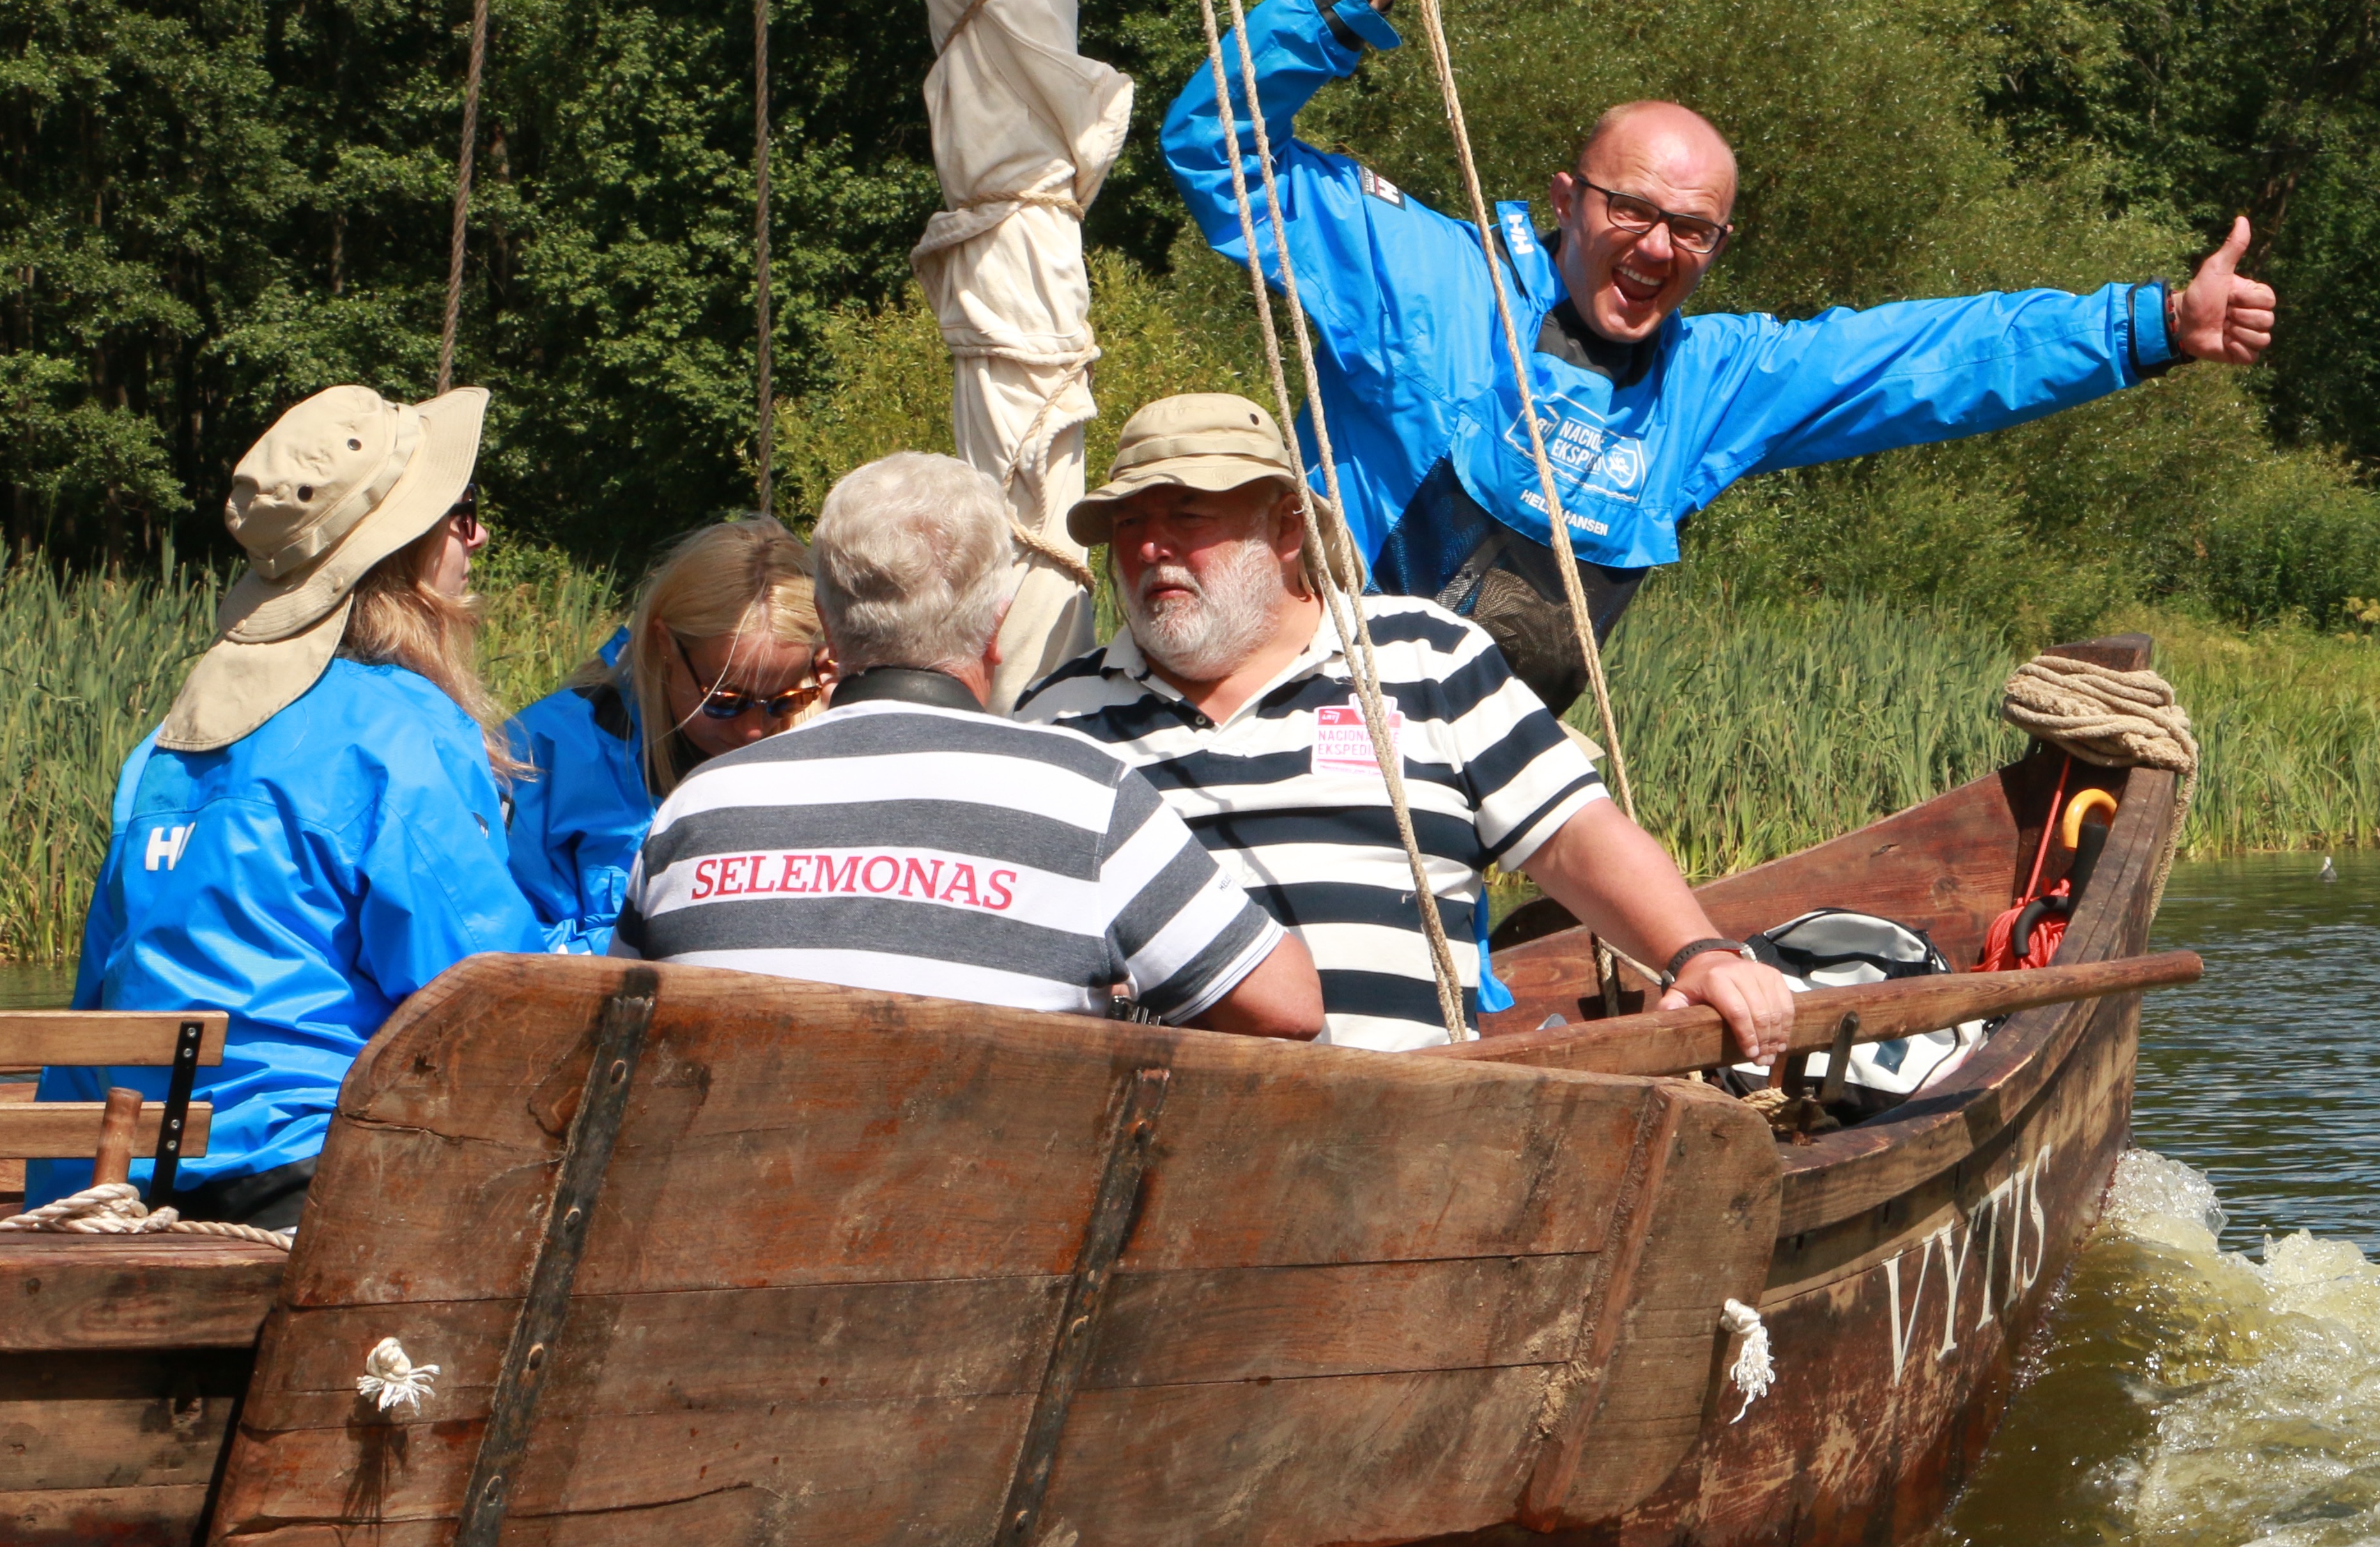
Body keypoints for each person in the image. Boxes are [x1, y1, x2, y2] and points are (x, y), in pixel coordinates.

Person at [1150, 0, 2282, 707]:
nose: (1653, 246)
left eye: (1690, 230)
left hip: (1469, 783)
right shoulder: (1425, 280)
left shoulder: (1712, 384)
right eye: (1628, 209)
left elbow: (1935, 359)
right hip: (1288, 720)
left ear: (1718, 246)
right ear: (1565, 200)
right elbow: (1213, 143)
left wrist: (2152, 326)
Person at [1020, 395, 1799, 1059]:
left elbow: (1570, 834)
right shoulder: (1060, 717)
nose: (1151, 548)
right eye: (1127, 525)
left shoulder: (1426, 657)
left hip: (1410, 1136)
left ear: (1288, 529)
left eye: (1187, 517)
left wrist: (1696, 954)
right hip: (1157, 1139)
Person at [29, 385, 575, 1229]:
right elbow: (489, 999)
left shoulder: (164, 751)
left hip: (148, 1191)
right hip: (325, 1186)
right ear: (414, 548)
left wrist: (55, 1215)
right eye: (464, 514)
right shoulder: (399, 732)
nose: (480, 536)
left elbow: (98, 1017)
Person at [617, 450, 1324, 1037]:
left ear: (828, 628)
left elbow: (619, 1020)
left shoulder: (695, 810)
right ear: (997, 626)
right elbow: (1288, 1009)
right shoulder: (1086, 801)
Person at [505, 517, 828, 944]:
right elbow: (508, 943)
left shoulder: (828, 749)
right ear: (665, 644)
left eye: (784, 701)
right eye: (726, 701)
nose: (754, 731)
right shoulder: (539, 757)